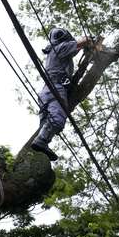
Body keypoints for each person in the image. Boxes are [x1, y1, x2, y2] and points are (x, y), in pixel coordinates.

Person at [31, 28, 93, 161]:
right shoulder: (60, 48)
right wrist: (90, 39)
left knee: (46, 122)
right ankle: (41, 140)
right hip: (56, 88)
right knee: (57, 119)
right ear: (63, 38)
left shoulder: (56, 52)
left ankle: (43, 142)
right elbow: (80, 43)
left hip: (46, 91)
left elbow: (75, 49)